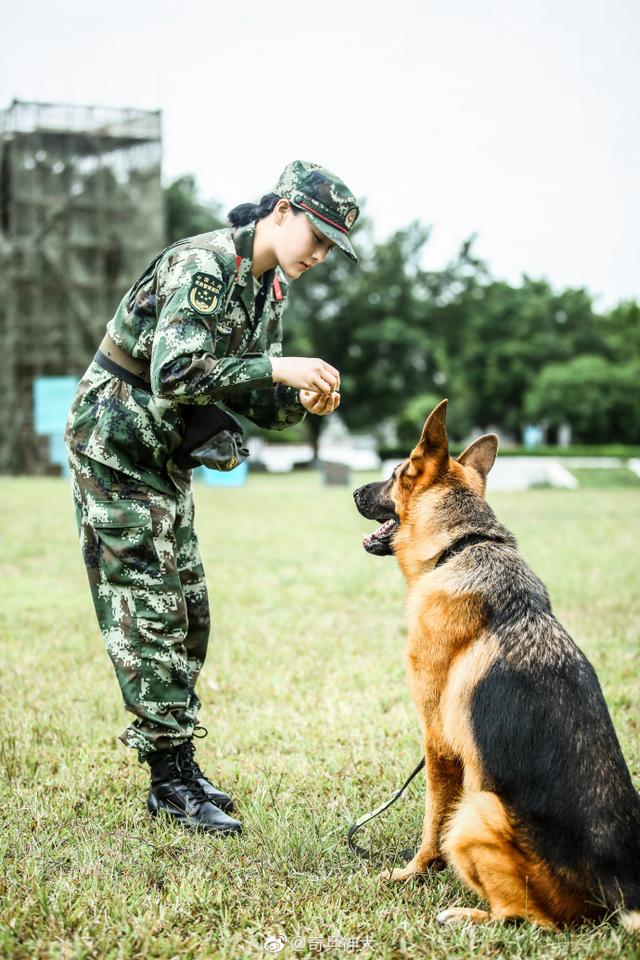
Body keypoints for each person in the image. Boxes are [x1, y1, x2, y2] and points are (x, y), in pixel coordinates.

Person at [64, 160, 360, 836]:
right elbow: (175, 372)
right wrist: (282, 366)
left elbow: (246, 391)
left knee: (190, 609)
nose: (318, 254)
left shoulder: (268, 291)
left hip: (164, 456)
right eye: (315, 235)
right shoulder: (206, 265)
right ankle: (168, 784)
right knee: (152, 611)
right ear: (282, 210)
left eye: (330, 247)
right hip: (115, 446)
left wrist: (299, 399)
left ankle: (182, 765)